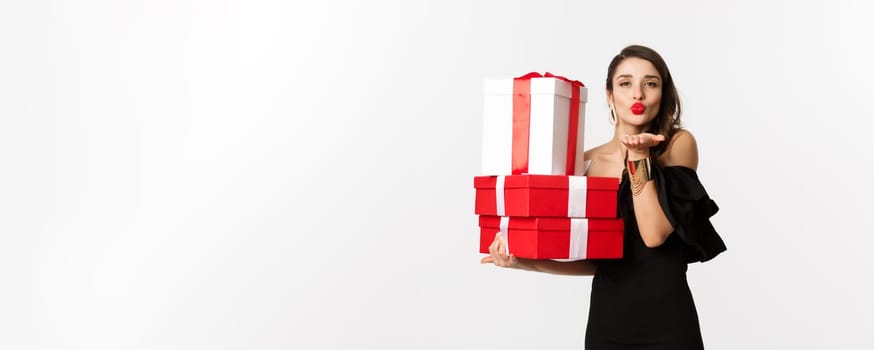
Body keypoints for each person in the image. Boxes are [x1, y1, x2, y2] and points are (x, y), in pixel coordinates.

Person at [480, 45, 727, 349]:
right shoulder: (585, 164)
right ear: (610, 95)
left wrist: (638, 156)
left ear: (662, 93)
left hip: (670, 324)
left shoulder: (677, 144)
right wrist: (527, 263)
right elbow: (597, 261)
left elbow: (654, 234)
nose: (638, 94)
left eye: (650, 83)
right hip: (609, 326)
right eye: (625, 83)